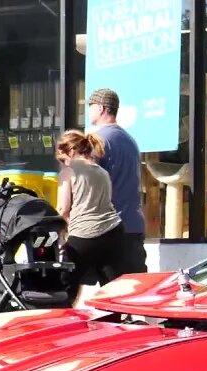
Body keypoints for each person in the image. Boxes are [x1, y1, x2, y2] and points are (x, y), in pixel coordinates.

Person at [55, 130, 125, 304]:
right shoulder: (102, 172)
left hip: (83, 235)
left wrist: (61, 236)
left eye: (63, 159)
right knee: (110, 288)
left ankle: (64, 322)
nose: (63, 164)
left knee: (67, 286)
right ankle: (115, 324)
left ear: (71, 152)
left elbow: (63, 209)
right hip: (113, 232)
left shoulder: (69, 172)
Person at [86, 88, 146, 274]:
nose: (88, 111)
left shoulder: (97, 140)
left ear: (102, 109)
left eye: (91, 106)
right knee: (133, 292)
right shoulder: (130, 141)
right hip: (133, 227)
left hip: (109, 229)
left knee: (108, 294)